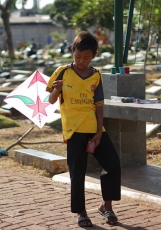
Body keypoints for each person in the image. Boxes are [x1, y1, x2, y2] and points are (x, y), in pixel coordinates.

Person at [47, 31, 121, 227]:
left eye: (86, 58)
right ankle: (81, 212)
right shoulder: (62, 72)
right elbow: (51, 99)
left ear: (94, 56)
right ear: (72, 51)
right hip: (73, 131)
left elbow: (99, 105)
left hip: (94, 129)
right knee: (77, 173)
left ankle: (107, 206)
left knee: (113, 164)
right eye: (78, 56)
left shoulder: (96, 75)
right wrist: (56, 88)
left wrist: (98, 131)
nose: (81, 61)